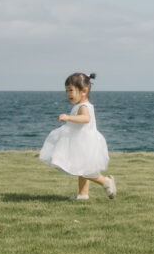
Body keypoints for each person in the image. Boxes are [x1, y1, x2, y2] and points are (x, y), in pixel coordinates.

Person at [39, 72, 116, 200]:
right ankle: (83, 194)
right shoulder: (79, 105)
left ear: (84, 91)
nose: (68, 94)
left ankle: (105, 181)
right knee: (82, 169)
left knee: (85, 170)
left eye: (71, 90)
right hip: (82, 141)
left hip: (85, 142)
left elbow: (86, 118)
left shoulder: (84, 106)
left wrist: (69, 117)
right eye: (66, 91)